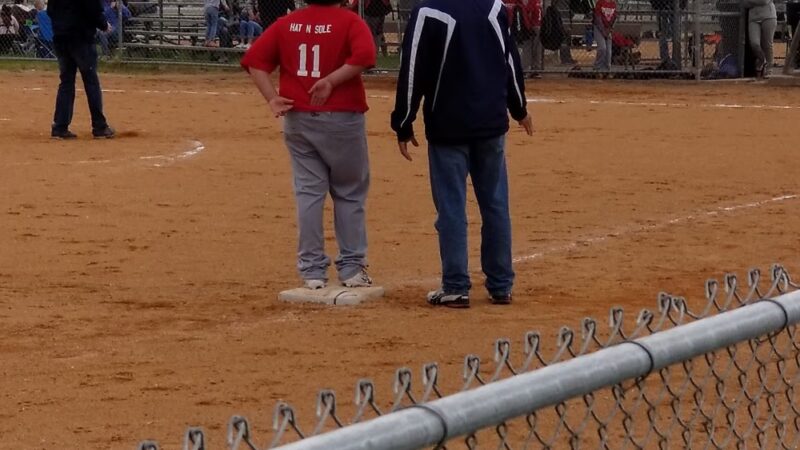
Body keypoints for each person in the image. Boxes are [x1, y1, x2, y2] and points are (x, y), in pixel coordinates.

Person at [391, 0, 533, 308]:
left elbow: (413, 68)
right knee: (495, 205)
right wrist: (519, 108)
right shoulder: (494, 7)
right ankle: (500, 285)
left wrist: (403, 121)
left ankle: (455, 285)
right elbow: (509, 61)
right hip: (491, 124)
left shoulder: (428, 11)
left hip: (448, 126)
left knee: (452, 207)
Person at [241, 0, 377, 290]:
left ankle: (313, 272)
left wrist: (272, 98)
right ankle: (351, 268)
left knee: (308, 193)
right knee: (350, 192)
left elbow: (254, 61)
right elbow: (365, 55)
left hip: (298, 117)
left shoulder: (287, 22)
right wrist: (331, 80)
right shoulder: (350, 21)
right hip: (342, 117)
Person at [47, 0, 115, 139]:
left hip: (61, 37)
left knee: (66, 82)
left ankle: (60, 126)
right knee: (91, 81)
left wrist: (61, 24)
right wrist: (103, 25)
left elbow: (50, 10)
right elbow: (93, 10)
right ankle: (99, 126)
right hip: (81, 38)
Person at [745, 0, 777, 77]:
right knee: (754, 44)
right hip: (753, 18)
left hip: (769, 16)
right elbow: (744, 3)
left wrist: (751, 2)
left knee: (767, 44)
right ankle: (762, 60)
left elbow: (764, 1)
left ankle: (769, 69)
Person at [593, 0, 616, 71]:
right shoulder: (599, 3)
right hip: (599, 28)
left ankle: (607, 69)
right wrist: (603, 31)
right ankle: (598, 67)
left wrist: (610, 29)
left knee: (609, 51)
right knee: (602, 48)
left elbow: (614, 18)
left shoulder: (613, 4)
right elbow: (598, 19)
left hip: (608, 29)